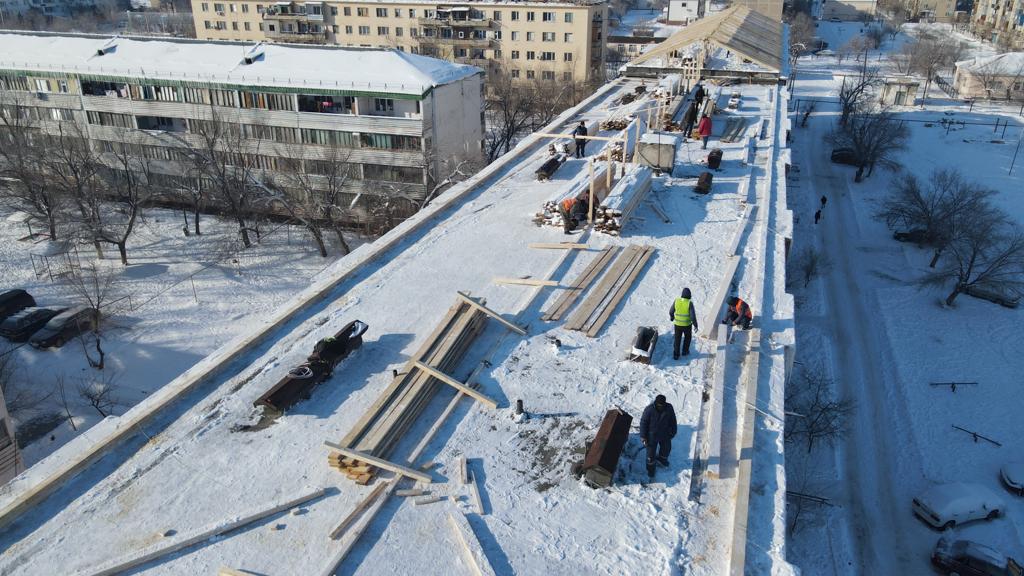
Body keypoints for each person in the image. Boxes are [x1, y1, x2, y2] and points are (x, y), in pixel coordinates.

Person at [639, 394, 677, 478]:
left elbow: (673, 420)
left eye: (662, 405)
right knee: (650, 454)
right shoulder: (649, 409)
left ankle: (662, 460)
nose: (660, 407)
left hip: (665, 433)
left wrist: (673, 431)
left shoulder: (669, 408)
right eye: (658, 405)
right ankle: (650, 470)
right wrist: (643, 436)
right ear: (655, 403)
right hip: (651, 435)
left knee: (666, 448)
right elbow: (643, 422)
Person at [668, 287, 698, 359]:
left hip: (677, 325)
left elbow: (671, 311)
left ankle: (676, 355)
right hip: (687, 325)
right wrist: (695, 325)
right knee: (687, 338)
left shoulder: (676, 301)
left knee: (677, 339)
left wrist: (672, 317)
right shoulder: (689, 303)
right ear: (689, 295)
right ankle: (685, 351)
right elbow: (692, 317)